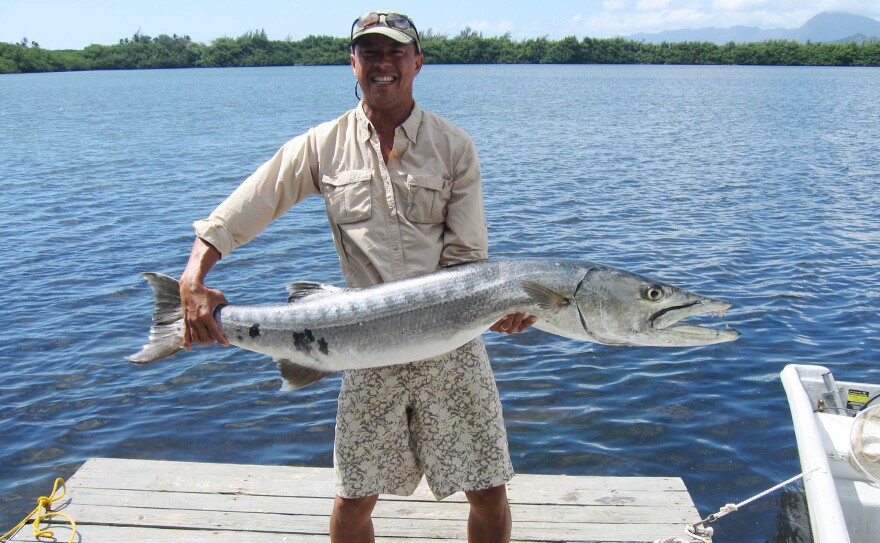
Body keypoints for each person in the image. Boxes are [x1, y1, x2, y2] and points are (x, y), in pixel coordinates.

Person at [179, 10, 535, 543]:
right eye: (369, 53)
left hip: (453, 345)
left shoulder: (454, 146)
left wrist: (496, 309)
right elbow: (246, 205)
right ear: (353, 64)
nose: (382, 64)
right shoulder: (322, 145)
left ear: (418, 62)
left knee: (488, 491)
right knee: (352, 499)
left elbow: (468, 262)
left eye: (395, 52)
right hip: (362, 340)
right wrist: (192, 278)